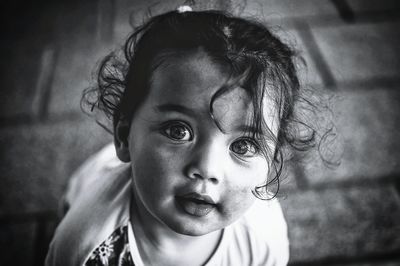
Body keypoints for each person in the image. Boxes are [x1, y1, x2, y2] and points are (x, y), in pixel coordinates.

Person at [46, 6, 331, 266]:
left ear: (271, 163)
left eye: (243, 145)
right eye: (178, 131)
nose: (206, 169)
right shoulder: (85, 248)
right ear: (123, 136)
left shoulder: (262, 237)